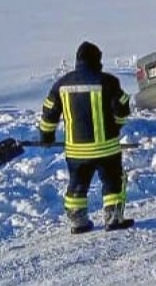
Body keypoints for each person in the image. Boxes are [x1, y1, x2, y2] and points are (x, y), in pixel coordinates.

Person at [38, 41, 134, 233]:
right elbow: (123, 108)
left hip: (76, 150)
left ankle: (78, 221)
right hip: (106, 147)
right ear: (97, 60)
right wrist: (117, 126)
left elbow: (49, 113)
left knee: (77, 183)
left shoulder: (62, 84)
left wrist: (46, 136)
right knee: (113, 180)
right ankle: (113, 217)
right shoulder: (108, 81)